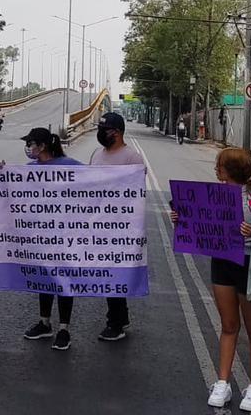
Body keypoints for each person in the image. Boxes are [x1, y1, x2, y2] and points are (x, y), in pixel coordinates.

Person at [170, 147, 251, 412]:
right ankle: (223, 381)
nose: (217, 170)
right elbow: (202, 224)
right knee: (228, 325)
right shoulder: (216, 196)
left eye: (220, 166)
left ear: (232, 170)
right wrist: (181, 219)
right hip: (223, 263)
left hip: (249, 265)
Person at [18, 126, 85, 351]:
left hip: (66, 237)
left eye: (31, 143)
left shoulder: (70, 166)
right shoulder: (29, 169)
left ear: (43, 145)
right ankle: (44, 323)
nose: (28, 148)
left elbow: (99, 183)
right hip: (40, 237)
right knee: (44, 279)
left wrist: (129, 177)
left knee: (64, 281)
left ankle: (64, 328)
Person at [87, 112, 144, 342]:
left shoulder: (132, 158)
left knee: (113, 276)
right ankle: (120, 315)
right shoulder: (96, 155)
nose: (102, 133)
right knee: (106, 275)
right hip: (98, 225)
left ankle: (116, 323)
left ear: (118, 132)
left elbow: (136, 194)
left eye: (106, 129)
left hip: (120, 228)